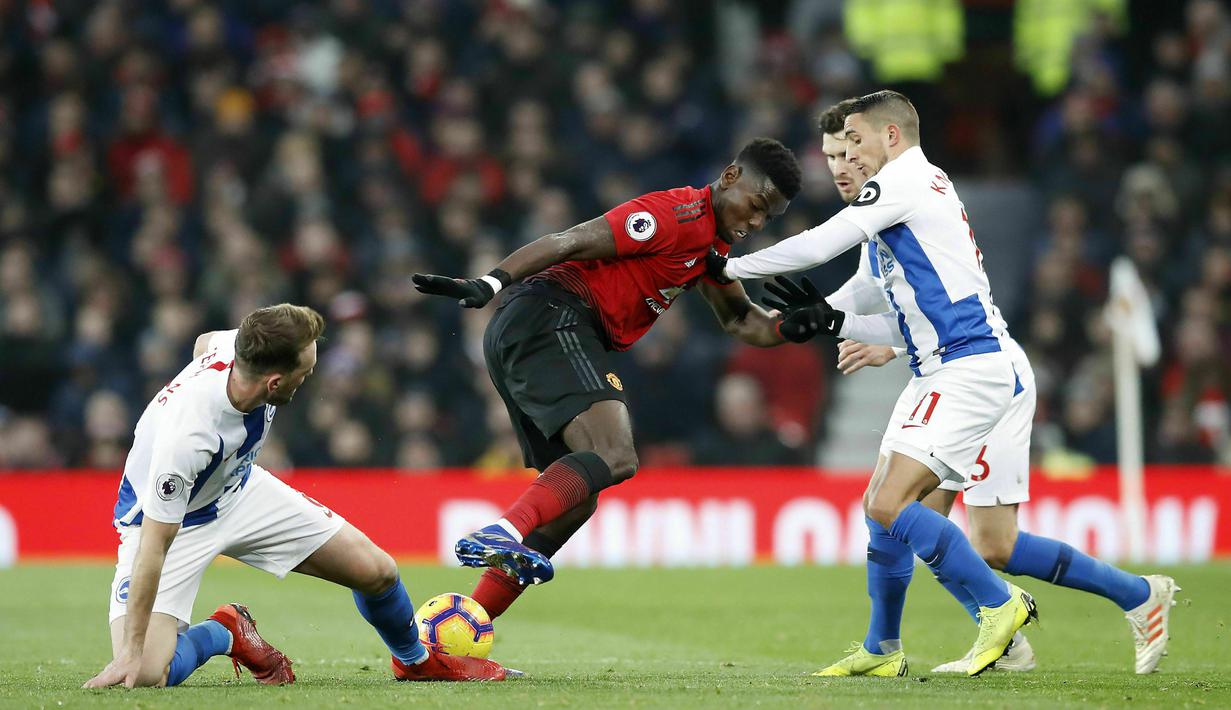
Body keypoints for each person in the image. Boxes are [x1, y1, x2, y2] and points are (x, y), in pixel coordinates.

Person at [709, 90, 1177, 677]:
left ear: (889, 138)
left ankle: (996, 610)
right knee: (989, 542)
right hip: (978, 365)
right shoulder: (904, 201)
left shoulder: (899, 185)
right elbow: (884, 298)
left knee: (888, 504)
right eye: (834, 151)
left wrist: (723, 265)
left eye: (853, 144)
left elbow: (823, 244)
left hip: (968, 368)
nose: (843, 161)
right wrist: (831, 319)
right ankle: (1135, 595)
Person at [412, 138, 803, 618]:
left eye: (770, 217)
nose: (758, 223)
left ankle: (460, 627)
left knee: (577, 501)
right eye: (757, 206)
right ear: (729, 177)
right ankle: (505, 530)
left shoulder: (710, 247)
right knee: (614, 454)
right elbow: (569, 240)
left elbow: (742, 319)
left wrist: (800, 324)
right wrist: (491, 281)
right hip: (551, 314)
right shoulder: (675, 215)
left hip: (542, 330)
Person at [85, 304, 510, 690]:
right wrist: (131, 650)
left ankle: (415, 661)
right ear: (274, 381)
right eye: (304, 373)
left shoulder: (242, 346)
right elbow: (154, 548)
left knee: (377, 571)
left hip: (238, 490)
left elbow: (203, 342)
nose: (308, 378)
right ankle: (225, 631)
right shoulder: (187, 438)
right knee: (141, 674)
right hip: (169, 526)